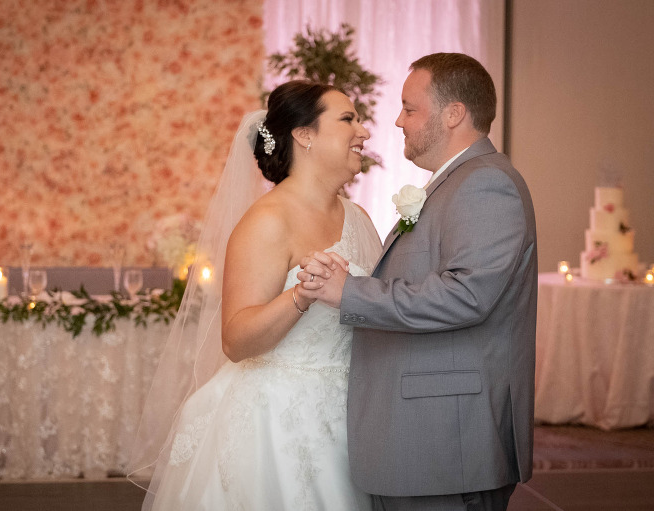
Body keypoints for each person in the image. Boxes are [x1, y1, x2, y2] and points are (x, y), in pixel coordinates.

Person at [127, 80, 382, 510]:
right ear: (304, 135)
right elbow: (236, 340)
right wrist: (300, 296)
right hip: (276, 428)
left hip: (353, 418)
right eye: (347, 119)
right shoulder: (267, 221)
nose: (364, 131)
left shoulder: (359, 218)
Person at [298, 53, 538, 510]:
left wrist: (348, 291)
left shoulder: (486, 184)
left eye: (410, 108)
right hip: (425, 438)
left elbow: (466, 295)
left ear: (453, 114)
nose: (397, 120)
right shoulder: (455, 183)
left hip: (448, 439)